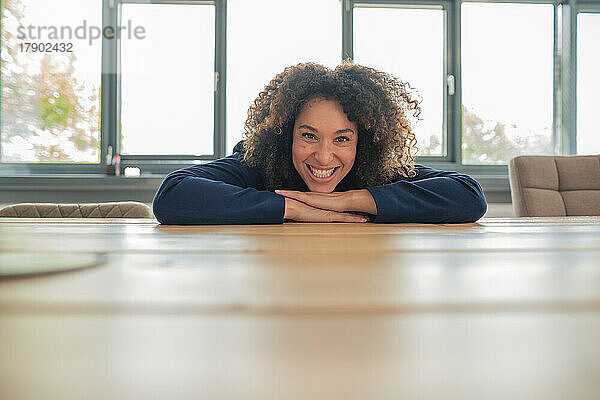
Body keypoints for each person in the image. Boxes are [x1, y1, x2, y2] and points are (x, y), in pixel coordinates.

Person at [153, 61, 487, 225]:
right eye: (309, 136)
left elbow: (469, 196)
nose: (324, 157)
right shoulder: (258, 164)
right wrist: (295, 209)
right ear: (285, 135)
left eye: (342, 139)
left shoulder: (377, 172)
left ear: (366, 143)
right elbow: (173, 194)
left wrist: (347, 201)